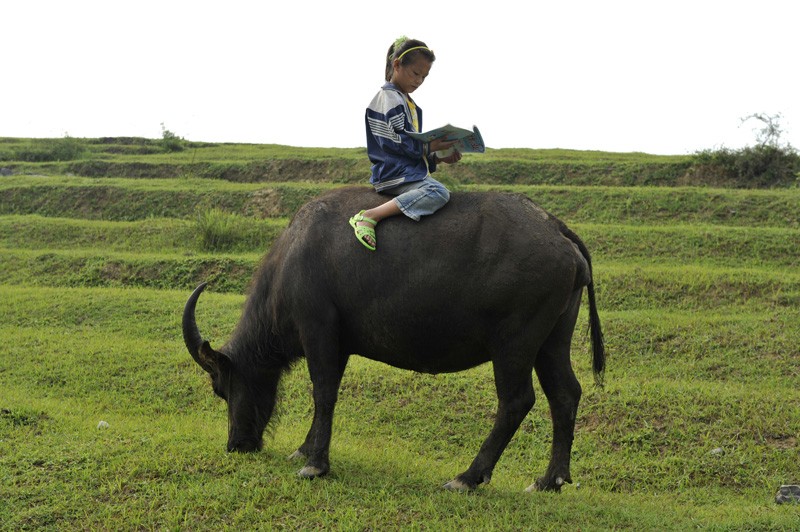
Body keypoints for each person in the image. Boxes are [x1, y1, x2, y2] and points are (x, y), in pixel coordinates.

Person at [349, 36, 462, 251]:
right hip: (393, 171)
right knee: (438, 192)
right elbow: (392, 143)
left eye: (424, 77)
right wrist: (429, 147)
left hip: (407, 168)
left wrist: (438, 156)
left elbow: (411, 145)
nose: (419, 81)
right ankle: (370, 216)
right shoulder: (387, 98)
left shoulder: (406, 102)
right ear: (397, 65)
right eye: (415, 73)